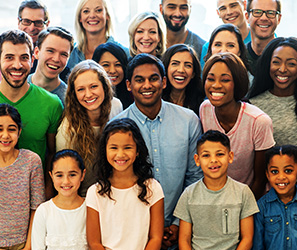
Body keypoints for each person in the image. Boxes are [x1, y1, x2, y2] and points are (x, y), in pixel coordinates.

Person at [114, 53, 202, 249]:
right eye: (139, 80)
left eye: (153, 78)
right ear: (129, 85)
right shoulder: (116, 128)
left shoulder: (189, 121)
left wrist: (180, 223)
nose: (147, 85)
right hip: (134, 235)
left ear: (163, 82)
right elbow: (115, 186)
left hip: (182, 231)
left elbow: (195, 178)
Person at [199, 52, 275, 199]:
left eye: (225, 80)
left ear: (237, 83)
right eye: (210, 79)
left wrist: (242, 211)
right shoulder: (205, 109)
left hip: (250, 199)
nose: (216, 85)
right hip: (214, 197)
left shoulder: (259, 121)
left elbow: (260, 179)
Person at [0, 30, 63, 199]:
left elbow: (52, 154)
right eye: (9, 57)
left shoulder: (51, 104)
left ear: (32, 59)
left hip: (34, 197)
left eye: (24, 58)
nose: (17, 65)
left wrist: (47, 195)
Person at [86, 118, 164, 249]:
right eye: (114, 148)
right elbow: (94, 242)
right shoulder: (95, 192)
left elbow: (155, 238)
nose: (120, 154)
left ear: (138, 150)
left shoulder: (152, 187)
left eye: (127, 147)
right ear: (105, 150)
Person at [174, 130, 259, 250]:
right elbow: (184, 240)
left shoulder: (243, 192)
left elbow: (247, 238)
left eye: (219, 154)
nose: (213, 160)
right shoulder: (189, 194)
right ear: (197, 160)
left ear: (230, 157)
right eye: (206, 155)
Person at [56, 59, 121, 197]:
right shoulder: (67, 130)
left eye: (93, 86)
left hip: (115, 193)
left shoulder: (116, 107)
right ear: (73, 94)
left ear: (104, 86)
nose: (88, 94)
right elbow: (65, 177)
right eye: (81, 89)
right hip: (84, 198)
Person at [0, 103, 45, 250]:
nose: (5, 135)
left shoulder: (31, 161)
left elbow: (36, 207)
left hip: (23, 243)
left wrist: (29, 246)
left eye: (11, 129)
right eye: (0, 129)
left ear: (19, 132)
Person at [31, 149, 88, 249]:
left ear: (82, 175)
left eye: (72, 175)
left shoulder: (90, 209)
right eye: (59, 175)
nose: (66, 181)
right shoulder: (44, 211)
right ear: (51, 176)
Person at [249, 37, 297, 148]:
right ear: (267, 65)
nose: (282, 69)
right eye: (276, 62)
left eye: (291, 64)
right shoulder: (253, 106)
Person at [253, 145, 297, 249]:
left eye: (288, 171)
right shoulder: (261, 207)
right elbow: (258, 246)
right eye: (274, 171)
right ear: (267, 175)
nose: (281, 177)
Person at [67, 0, 129, 71]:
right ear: (80, 18)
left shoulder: (125, 53)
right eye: (86, 11)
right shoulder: (70, 54)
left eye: (98, 10)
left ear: (107, 15)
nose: (92, 15)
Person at [29, 26, 74, 105]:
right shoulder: (16, 87)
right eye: (50, 51)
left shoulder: (70, 99)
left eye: (63, 54)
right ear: (36, 53)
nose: (56, 59)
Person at [200, 0, 250, 68]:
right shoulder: (208, 48)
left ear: (245, 5)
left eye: (233, 6)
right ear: (218, 13)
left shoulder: (258, 40)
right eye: (223, 8)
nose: (229, 12)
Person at [161, 44, 205, 115]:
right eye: (175, 64)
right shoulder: (156, 100)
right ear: (166, 68)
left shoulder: (200, 105)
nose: (181, 70)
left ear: (193, 73)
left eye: (188, 65)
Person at [245, 0, 282, 75]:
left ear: (278, 19)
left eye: (271, 13)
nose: (264, 18)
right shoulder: (239, 56)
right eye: (257, 12)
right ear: (247, 17)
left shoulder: (289, 56)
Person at [92, 42, 133, 109]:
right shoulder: (90, 97)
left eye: (118, 65)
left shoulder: (132, 94)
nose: (112, 71)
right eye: (106, 65)